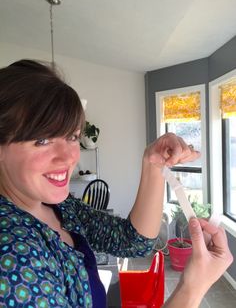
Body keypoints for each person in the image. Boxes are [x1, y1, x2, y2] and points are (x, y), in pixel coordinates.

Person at [0, 59, 232, 308]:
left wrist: (153, 163)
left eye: (71, 137)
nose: (69, 157)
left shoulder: (59, 207)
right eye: (42, 140)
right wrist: (192, 289)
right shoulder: (13, 259)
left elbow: (132, 241)